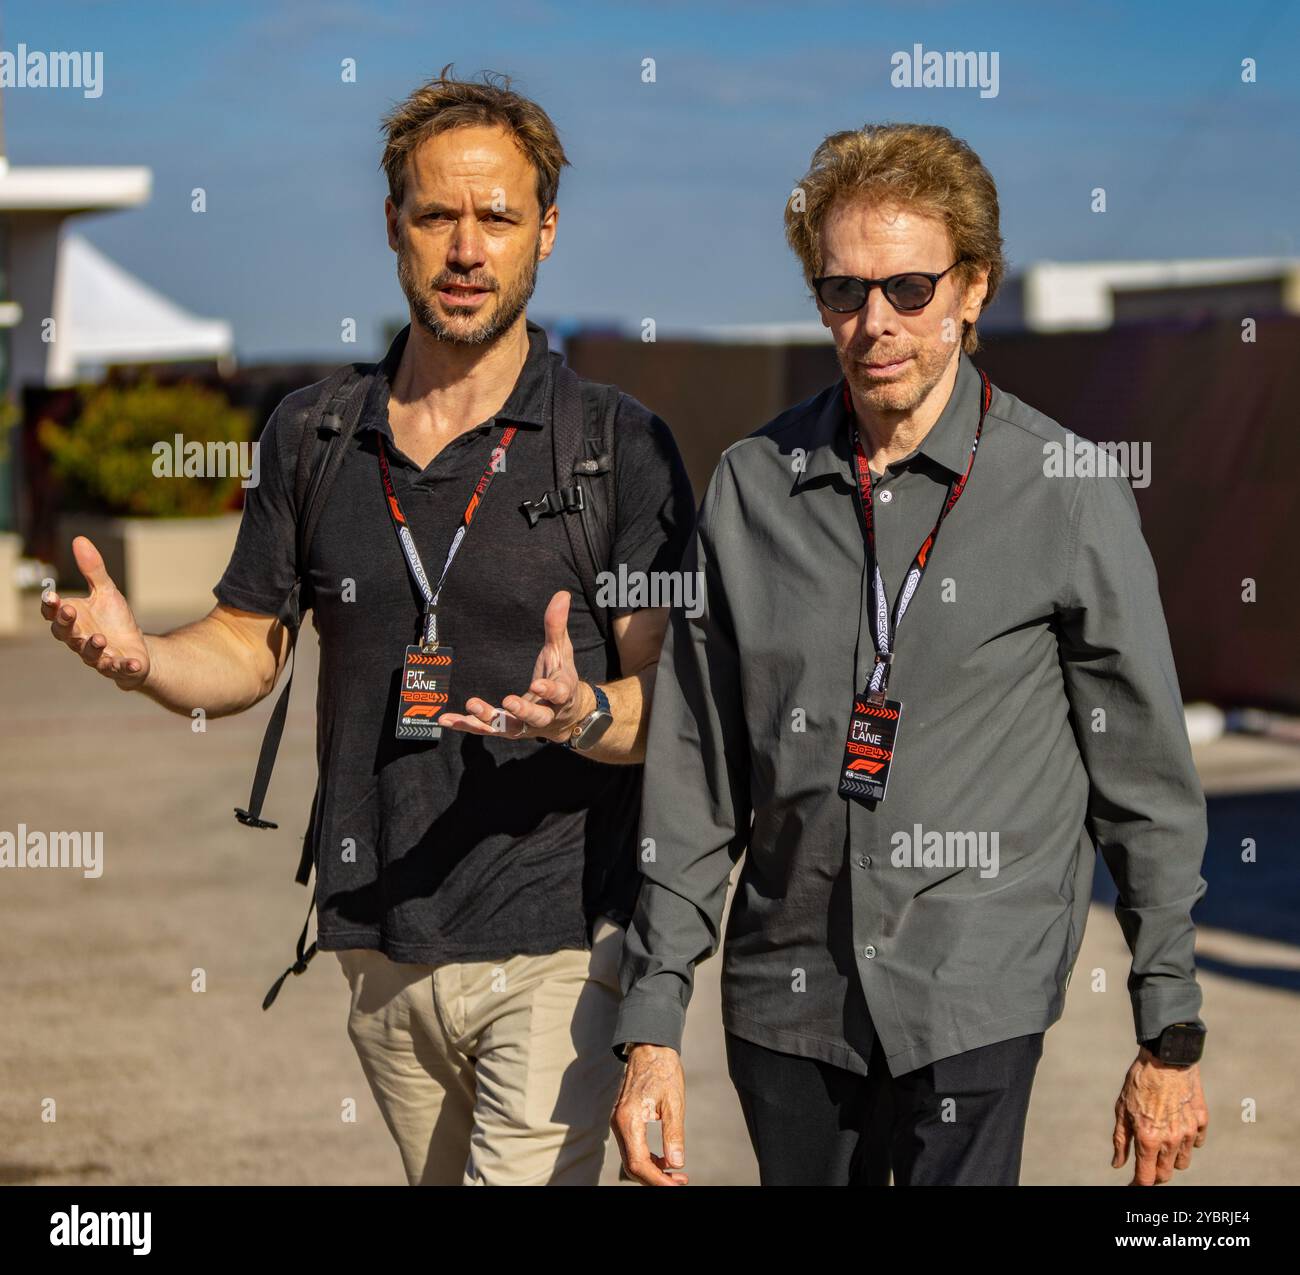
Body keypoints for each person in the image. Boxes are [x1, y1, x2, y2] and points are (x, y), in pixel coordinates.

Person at [41, 68, 694, 1186]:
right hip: (376, 941)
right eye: (437, 213)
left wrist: (582, 711)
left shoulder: (612, 445)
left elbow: (667, 707)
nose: (466, 247)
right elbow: (248, 645)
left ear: (546, 232)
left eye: (497, 217)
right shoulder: (316, 432)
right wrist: (145, 659)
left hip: (559, 944)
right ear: (393, 225)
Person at [609, 122, 1209, 1187]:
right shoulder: (752, 488)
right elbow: (695, 774)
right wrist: (653, 1024)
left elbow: (1143, 779)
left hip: (974, 996)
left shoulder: (1064, 489)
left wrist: (1166, 1032)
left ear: (973, 289)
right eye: (843, 291)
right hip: (788, 1003)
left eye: (909, 287)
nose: (873, 322)